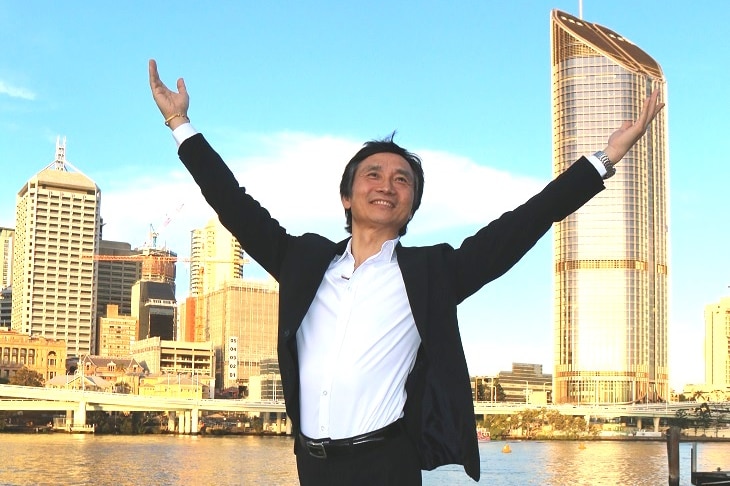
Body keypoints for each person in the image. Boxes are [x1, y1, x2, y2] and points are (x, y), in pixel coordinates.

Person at [148, 59, 663, 485]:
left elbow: (524, 223)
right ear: (347, 197)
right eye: (372, 174)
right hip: (310, 466)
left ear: (411, 206)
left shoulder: (433, 273)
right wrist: (181, 126)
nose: (386, 185)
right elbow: (234, 204)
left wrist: (604, 157)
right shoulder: (302, 262)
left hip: (386, 465)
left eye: (402, 180)